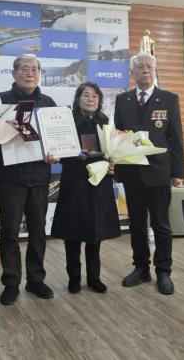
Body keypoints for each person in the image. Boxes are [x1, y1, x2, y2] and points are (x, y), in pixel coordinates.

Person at [113, 52, 184, 295]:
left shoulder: (169, 99)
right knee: (136, 225)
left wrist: (178, 172)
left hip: (159, 172)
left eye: (149, 67)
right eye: (140, 67)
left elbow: (176, 138)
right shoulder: (122, 100)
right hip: (131, 171)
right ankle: (141, 268)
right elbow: (118, 136)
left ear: (155, 71)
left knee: (161, 225)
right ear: (132, 73)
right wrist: (117, 167)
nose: (145, 70)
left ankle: (163, 272)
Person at [0, 54, 58, 305]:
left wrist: (55, 152)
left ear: (40, 73)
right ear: (13, 73)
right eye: (25, 69)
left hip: (40, 177)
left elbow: (55, 138)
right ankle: (11, 282)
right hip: (10, 178)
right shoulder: (0, 101)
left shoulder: (48, 102)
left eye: (35, 69)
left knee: (38, 231)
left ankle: (36, 279)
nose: (30, 73)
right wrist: (3, 129)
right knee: (10, 231)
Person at [51, 82, 121, 294]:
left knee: (95, 231)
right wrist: (74, 154)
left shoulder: (106, 122)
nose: (91, 99)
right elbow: (58, 152)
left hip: (99, 183)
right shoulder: (67, 121)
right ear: (78, 99)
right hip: (75, 181)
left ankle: (94, 277)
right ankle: (74, 278)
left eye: (94, 96)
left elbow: (115, 152)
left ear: (99, 101)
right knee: (72, 232)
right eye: (86, 95)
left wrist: (114, 164)